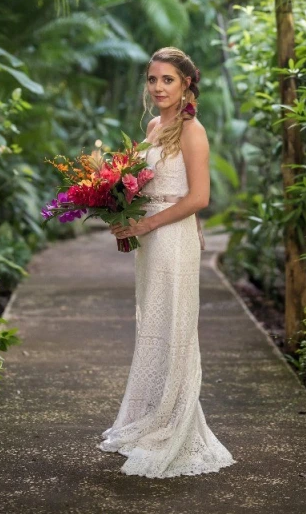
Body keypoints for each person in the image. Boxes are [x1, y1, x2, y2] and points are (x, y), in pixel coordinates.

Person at [97, 46, 236, 478]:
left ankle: (175, 422)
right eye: (153, 79)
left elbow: (199, 198)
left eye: (168, 80)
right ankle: (149, 413)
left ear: (187, 84)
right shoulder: (155, 127)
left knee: (174, 324)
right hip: (150, 238)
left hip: (173, 237)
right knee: (152, 323)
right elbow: (141, 185)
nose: (158, 87)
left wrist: (147, 224)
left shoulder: (193, 131)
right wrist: (121, 212)